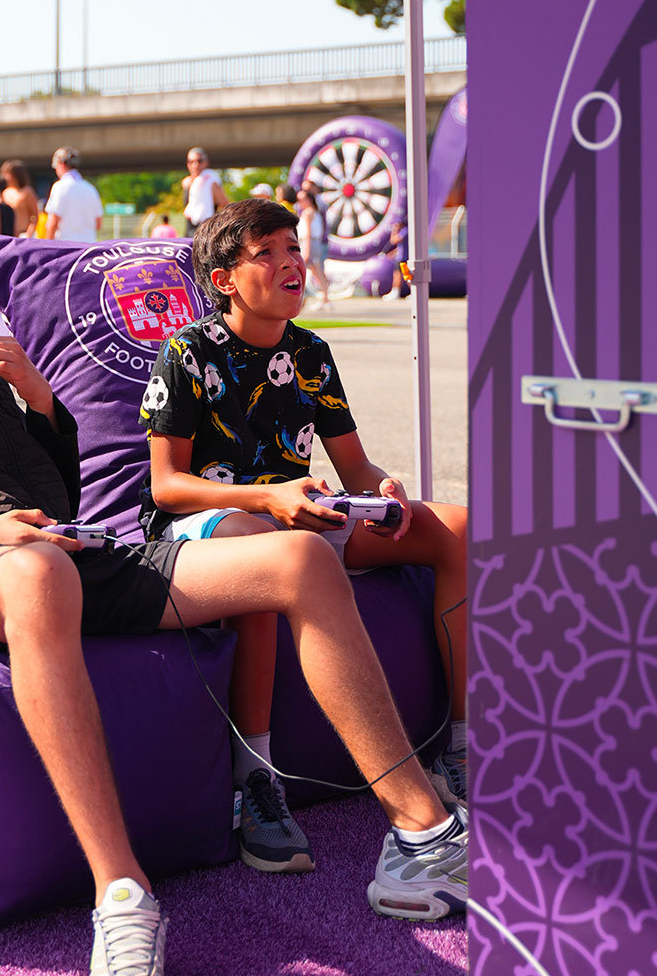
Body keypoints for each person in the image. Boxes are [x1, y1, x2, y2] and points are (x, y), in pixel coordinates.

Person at [0, 157, 468, 976]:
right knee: (37, 572)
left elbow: (53, 493)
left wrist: (35, 396)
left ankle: (422, 834)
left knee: (299, 558)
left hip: (62, 547)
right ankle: (123, 903)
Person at [139, 196, 468, 876]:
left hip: (303, 514)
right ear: (225, 279)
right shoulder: (186, 351)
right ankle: (255, 781)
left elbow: (354, 467)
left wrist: (383, 489)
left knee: (460, 527)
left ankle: (461, 746)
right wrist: (267, 497)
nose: (290, 261)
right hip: (214, 522)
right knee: (268, 549)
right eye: (266, 252)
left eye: (292, 246)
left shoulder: (310, 352)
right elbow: (166, 487)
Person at [43, 147, 102, 242]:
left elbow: (53, 222)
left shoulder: (60, 187)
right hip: (88, 245)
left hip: (66, 245)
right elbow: (98, 224)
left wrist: (47, 245)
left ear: (61, 164)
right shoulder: (91, 188)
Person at [296, 181, 330, 308]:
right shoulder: (313, 211)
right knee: (317, 270)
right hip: (312, 242)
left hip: (309, 242)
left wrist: (307, 249)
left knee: (310, 269)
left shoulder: (309, 213)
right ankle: (324, 297)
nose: (300, 203)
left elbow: (308, 233)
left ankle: (308, 296)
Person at [182, 148, 227, 234]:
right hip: (189, 231)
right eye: (191, 161)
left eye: (199, 161)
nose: (195, 165)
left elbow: (225, 205)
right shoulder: (186, 182)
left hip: (206, 230)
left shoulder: (211, 182)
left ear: (206, 162)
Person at [0, 159, 40, 237]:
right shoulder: (5, 192)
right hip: (10, 235)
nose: (4, 176)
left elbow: (35, 216)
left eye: (7, 173)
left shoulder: (27, 191)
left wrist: (29, 234)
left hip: (24, 234)